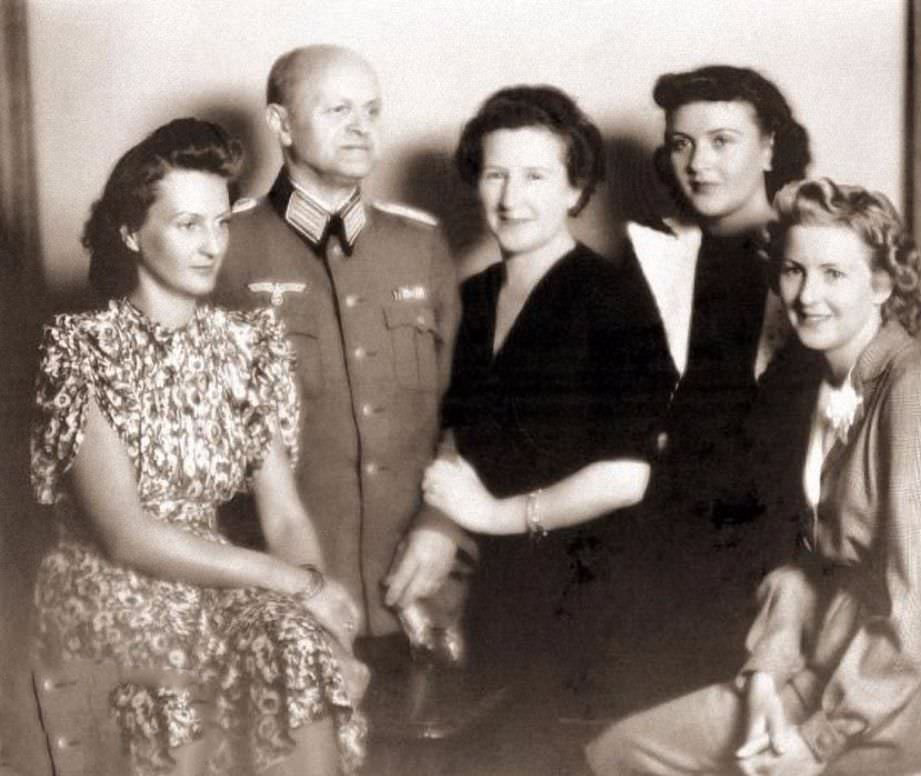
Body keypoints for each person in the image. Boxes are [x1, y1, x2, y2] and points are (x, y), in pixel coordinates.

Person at [587, 178, 921, 776]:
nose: (806, 295)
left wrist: (818, 741)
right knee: (621, 749)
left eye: (834, 274)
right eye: (795, 272)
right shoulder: (834, 385)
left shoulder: (919, 390)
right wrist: (768, 675)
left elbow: (919, 607)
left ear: (882, 284)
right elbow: (806, 568)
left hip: (903, 692)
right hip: (827, 659)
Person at [30, 118, 369, 775]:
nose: (212, 244)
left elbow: (285, 515)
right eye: (188, 224)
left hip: (218, 575)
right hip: (112, 582)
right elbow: (126, 535)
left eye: (220, 223)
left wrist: (318, 612)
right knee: (182, 668)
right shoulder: (78, 347)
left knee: (299, 648)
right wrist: (294, 583)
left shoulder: (247, 345)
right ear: (131, 233)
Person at [213, 45, 468, 651]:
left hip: (422, 586)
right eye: (337, 110)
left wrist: (444, 524)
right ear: (280, 124)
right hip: (282, 600)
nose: (362, 128)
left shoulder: (420, 245)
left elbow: (466, 411)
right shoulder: (225, 247)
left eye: (373, 110)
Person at [420, 85, 661, 720]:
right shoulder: (468, 298)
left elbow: (628, 475)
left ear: (575, 190)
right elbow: (448, 437)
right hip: (488, 594)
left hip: (586, 599)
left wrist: (495, 515)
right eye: (496, 174)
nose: (510, 196)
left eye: (535, 175)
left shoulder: (615, 301)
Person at [617, 64, 814, 694]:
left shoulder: (817, 255)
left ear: (770, 147)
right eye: (681, 143)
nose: (697, 162)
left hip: (783, 553)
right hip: (668, 554)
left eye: (722, 140)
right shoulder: (656, 258)